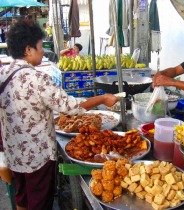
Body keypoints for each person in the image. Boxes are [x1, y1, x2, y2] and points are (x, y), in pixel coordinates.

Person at [0, 19, 119, 210]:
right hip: (38, 156)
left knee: (22, 198)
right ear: (28, 50)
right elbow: (71, 107)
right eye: (40, 47)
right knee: (39, 203)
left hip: (14, 153)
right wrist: (103, 98)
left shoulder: (3, 74)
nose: (42, 52)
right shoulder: (37, 79)